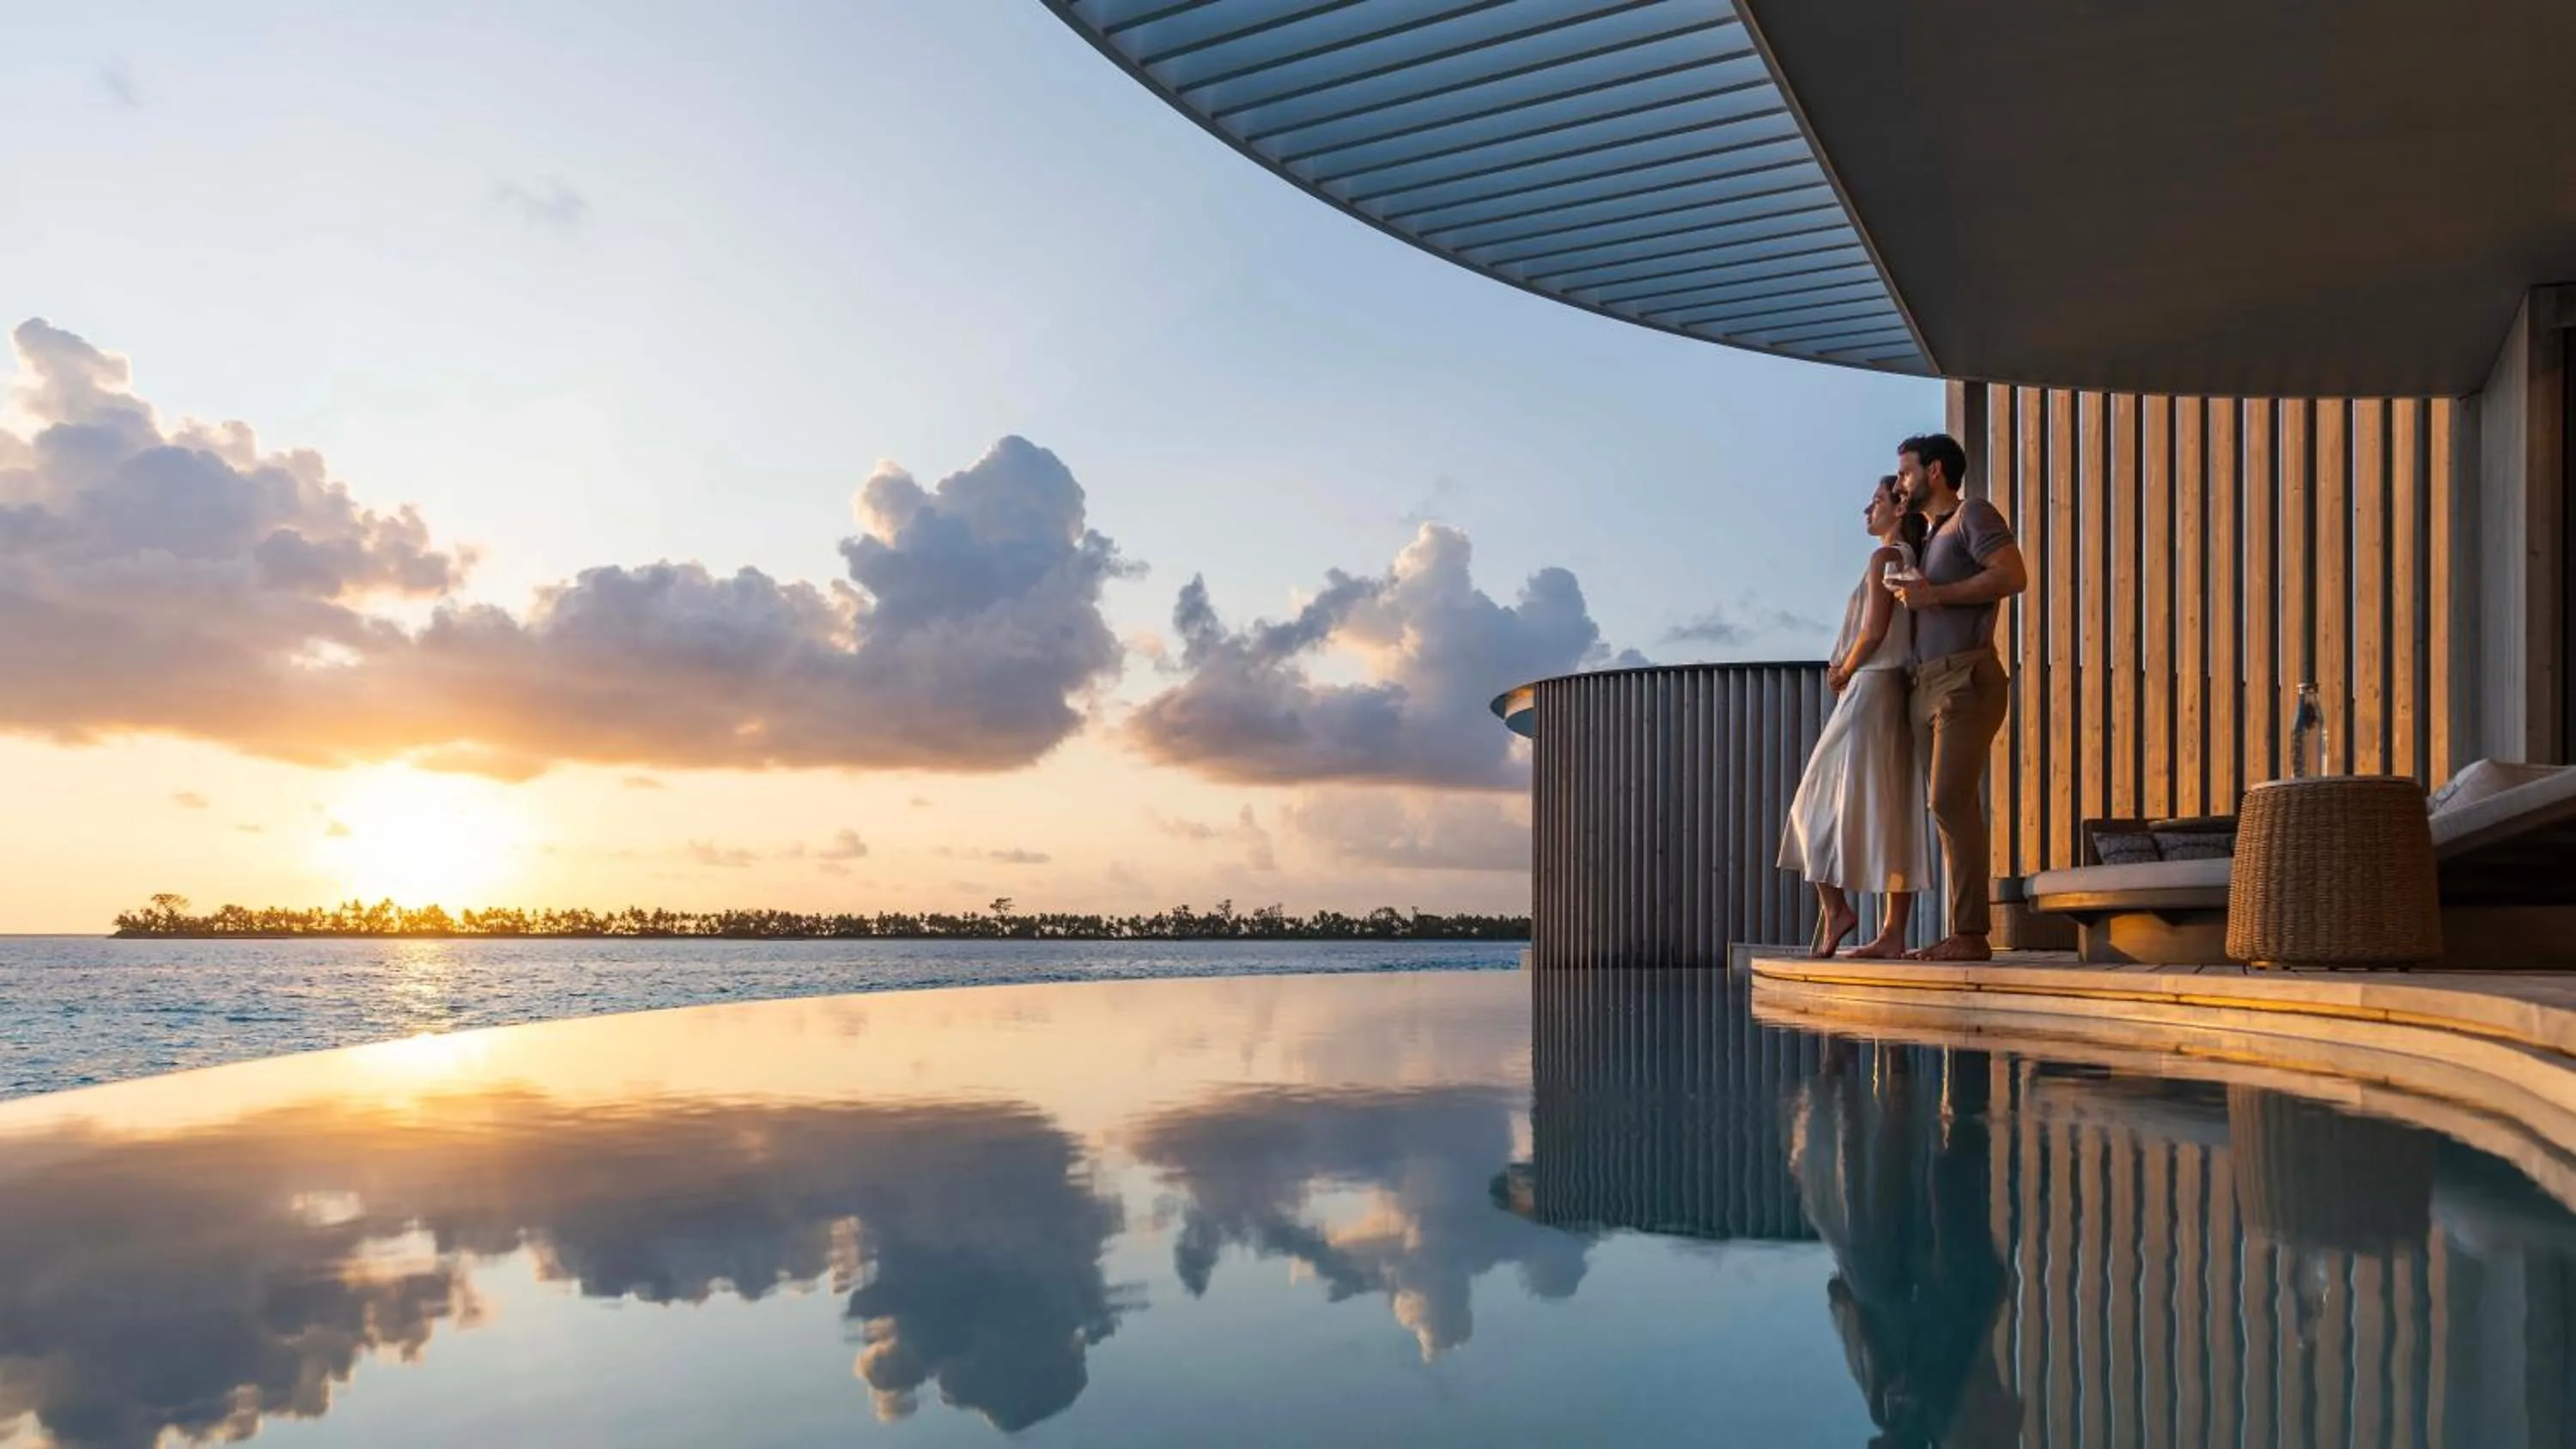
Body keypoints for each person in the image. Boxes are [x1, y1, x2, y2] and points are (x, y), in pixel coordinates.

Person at [1887, 433, 2027, 962]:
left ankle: (1971, 934)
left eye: (1906, 473)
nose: (1901, 482)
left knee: (1948, 799)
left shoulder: (1973, 514)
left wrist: (1936, 594)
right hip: (1924, 682)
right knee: (1946, 807)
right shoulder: (1927, 535)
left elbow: (2013, 575)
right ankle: (1960, 930)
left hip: (1965, 678)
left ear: (1936, 471)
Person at [1779, 476, 1932, 959]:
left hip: (1870, 685)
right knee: (1892, 801)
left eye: (1876, 502)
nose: (1866, 510)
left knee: (1810, 802)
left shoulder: (1886, 558)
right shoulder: (1905, 561)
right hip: (1885, 686)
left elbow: (1875, 627)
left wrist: (1844, 666)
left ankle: (1840, 910)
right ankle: (1891, 932)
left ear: (1896, 509)